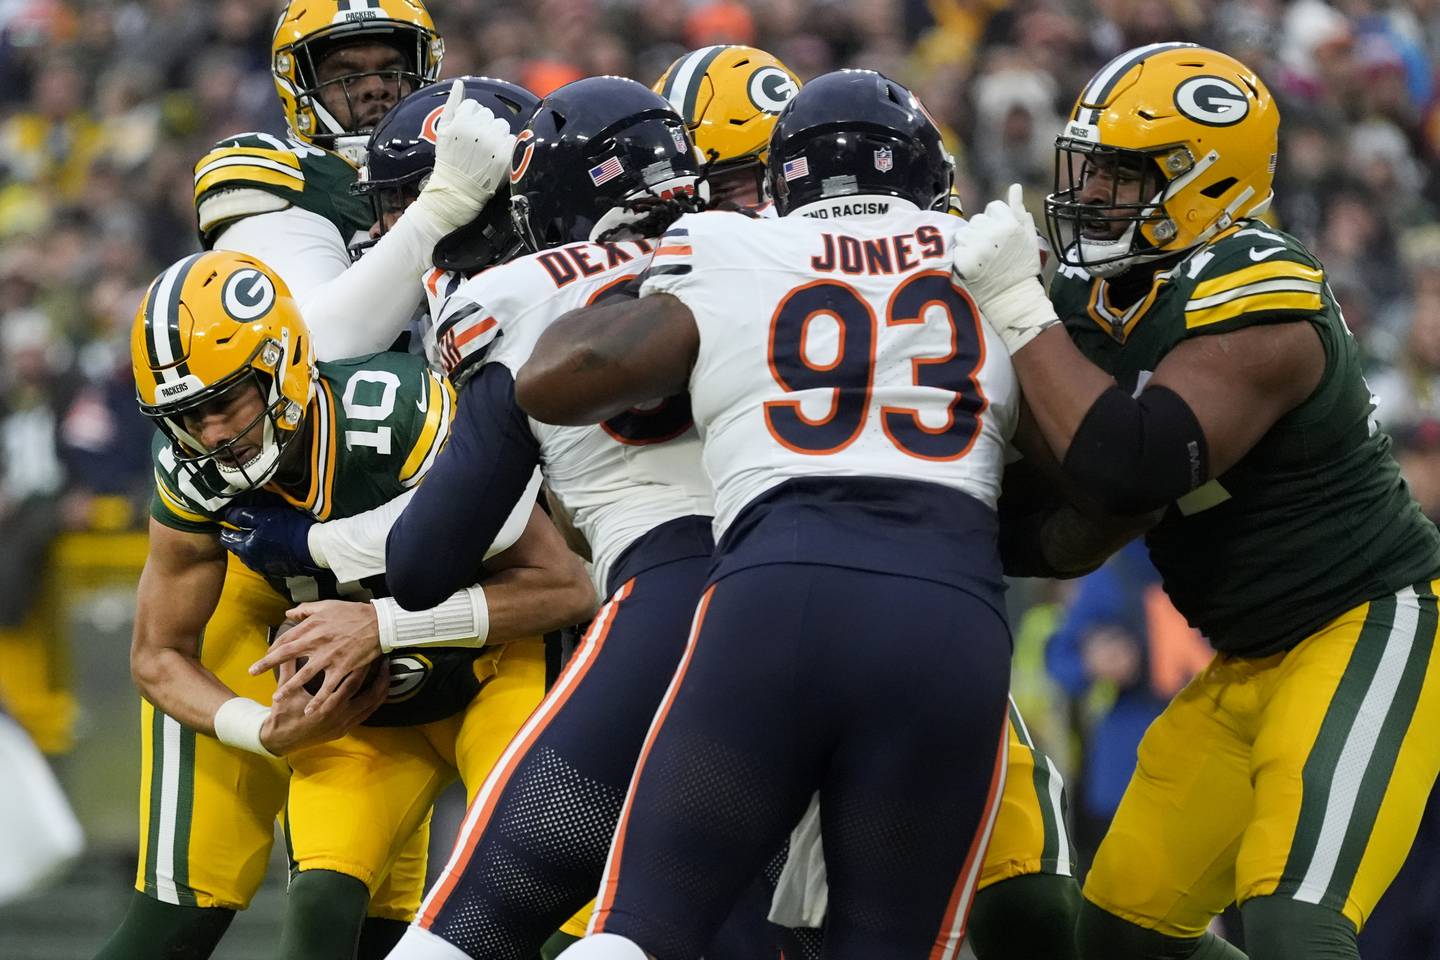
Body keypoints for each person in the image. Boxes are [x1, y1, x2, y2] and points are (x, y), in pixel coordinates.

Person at [516, 68, 1017, 960]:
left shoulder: (729, 247)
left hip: (774, 603)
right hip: (947, 619)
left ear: (780, 180)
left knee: (644, 928)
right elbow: (1096, 487)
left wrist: (625, 281)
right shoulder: (990, 255)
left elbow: (554, 379)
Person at [955, 41, 1440, 960]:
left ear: (1206, 185)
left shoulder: (1262, 290)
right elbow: (1077, 531)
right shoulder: (1100, 298)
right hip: (1246, 655)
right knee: (1120, 938)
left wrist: (1018, 308)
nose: (1091, 195)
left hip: (1369, 625)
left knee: (1294, 922)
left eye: (1122, 177)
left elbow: (1129, 468)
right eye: (1089, 170)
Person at [650, 44, 1083, 960]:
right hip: (740, 620)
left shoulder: (935, 263)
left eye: (750, 181)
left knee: (1027, 903)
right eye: (721, 184)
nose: (744, 208)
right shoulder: (689, 268)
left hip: (840, 606)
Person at [104, 251, 593, 960]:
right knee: (319, 908)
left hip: (493, 673)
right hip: (367, 716)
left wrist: (381, 624)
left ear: (283, 362)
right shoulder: (194, 473)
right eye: (184, 416)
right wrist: (260, 728)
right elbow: (156, 655)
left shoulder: (398, 415)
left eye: (223, 402)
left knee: (541, 907)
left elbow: (563, 586)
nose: (208, 435)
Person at [376, 75, 724, 960]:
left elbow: (423, 563)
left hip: (672, 593)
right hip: (820, 584)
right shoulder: (754, 255)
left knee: (470, 928)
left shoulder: (521, 293)